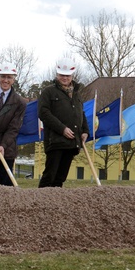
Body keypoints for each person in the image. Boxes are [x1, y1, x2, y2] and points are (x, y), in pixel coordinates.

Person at [37, 58, 89, 187]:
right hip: (55, 141)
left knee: (60, 178)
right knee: (50, 176)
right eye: (62, 75)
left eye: (67, 75)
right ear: (57, 75)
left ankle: (56, 204)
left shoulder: (76, 94)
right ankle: (39, 202)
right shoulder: (48, 92)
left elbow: (81, 113)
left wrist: (85, 131)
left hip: (72, 142)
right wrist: (62, 129)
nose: (65, 78)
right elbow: (44, 113)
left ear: (72, 75)